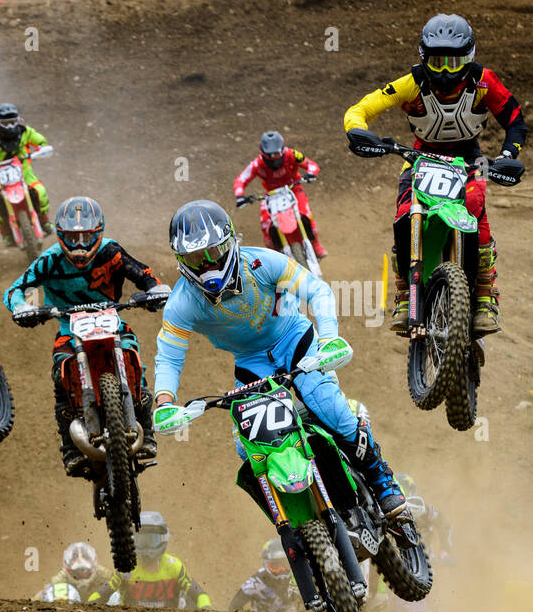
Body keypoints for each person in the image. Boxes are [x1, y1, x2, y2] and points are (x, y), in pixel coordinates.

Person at [156, 199, 407, 517]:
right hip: (251, 363)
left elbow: (317, 291)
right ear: (181, 260)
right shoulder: (181, 303)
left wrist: (329, 339)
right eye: (196, 258)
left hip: (295, 339)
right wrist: (165, 403)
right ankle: (297, 521)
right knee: (247, 448)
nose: (208, 266)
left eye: (213, 253)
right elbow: (169, 355)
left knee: (328, 406)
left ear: (230, 243)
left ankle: (382, 479)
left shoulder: (262, 262)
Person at [344, 13, 525, 335]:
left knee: (475, 210)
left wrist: (507, 155)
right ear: (423, 57)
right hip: (420, 157)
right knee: (405, 213)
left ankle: (485, 297)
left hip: (469, 160)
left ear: (469, 57)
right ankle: (404, 295)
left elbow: (515, 119)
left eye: (454, 62)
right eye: (438, 62)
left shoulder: (484, 82)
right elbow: (362, 108)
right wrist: (358, 130)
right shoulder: (411, 83)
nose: (445, 71)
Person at [6, 196, 171, 476]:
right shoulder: (49, 260)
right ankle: (70, 448)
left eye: (87, 237)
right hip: (69, 329)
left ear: (99, 232)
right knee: (60, 371)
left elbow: (143, 274)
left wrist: (154, 290)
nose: (80, 245)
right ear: (61, 235)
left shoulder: (111, 252)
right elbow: (15, 290)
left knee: (133, 356)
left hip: (112, 322)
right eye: (73, 238)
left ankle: (147, 432)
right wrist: (22, 308)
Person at [0, 104, 52, 248]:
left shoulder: (25, 132)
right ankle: (5, 233)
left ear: (18, 120)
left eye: (13, 122)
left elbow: (41, 141)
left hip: (25, 173)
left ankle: (45, 222)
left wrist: (42, 148)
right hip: (0, 177)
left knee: (41, 192)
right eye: (6, 123)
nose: (10, 126)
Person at [232, 131, 326, 258]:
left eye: (276, 154)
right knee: (266, 227)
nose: (274, 158)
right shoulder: (257, 164)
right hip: (271, 195)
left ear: (282, 149)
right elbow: (241, 180)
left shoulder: (292, 154)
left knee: (306, 215)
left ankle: (316, 246)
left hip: (293, 188)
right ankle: (275, 257)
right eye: (270, 155)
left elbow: (311, 165)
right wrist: (240, 196)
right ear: (263, 153)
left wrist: (310, 173)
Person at [93, 512, 212, 609]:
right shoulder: (125, 568)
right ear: (132, 541)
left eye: (151, 541)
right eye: (142, 541)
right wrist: (89, 609)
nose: (146, 547)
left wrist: (206, 610)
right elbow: (101, 594)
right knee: (113, 599)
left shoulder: (174, 566)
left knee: (189, 601)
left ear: (163, 540)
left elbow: (199, 594)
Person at [229, 538, 302, 612]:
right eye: (275, 566)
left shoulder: (299, 578)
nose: (281, 570)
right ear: (265, 565)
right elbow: (234, 607)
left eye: (285, 564)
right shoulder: (256, 582)